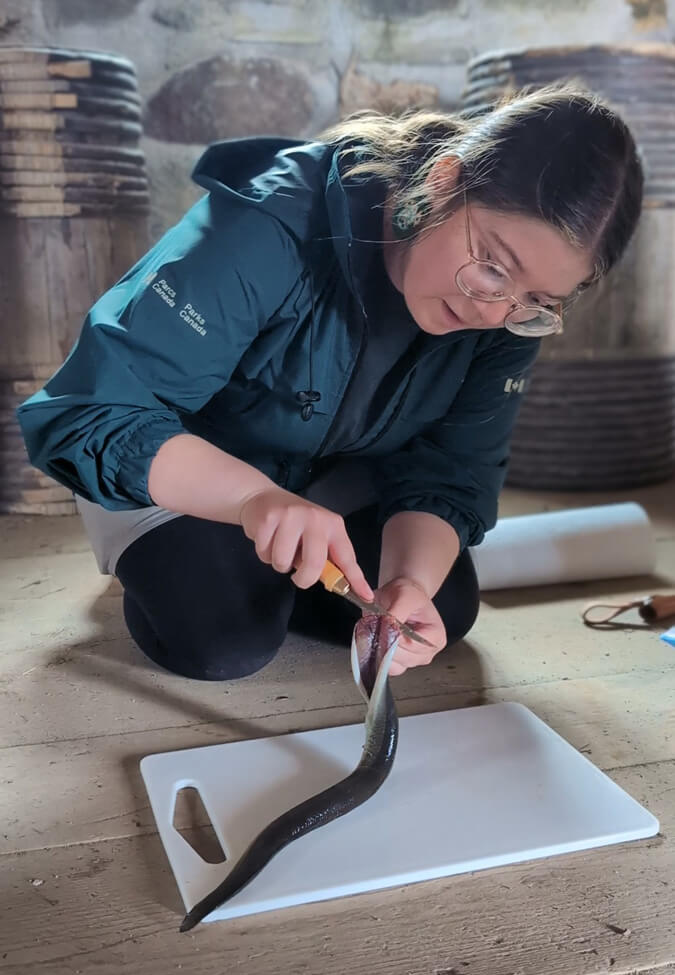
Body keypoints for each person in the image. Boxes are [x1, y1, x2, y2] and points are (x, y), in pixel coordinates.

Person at [17, 82, 643, 682]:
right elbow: (91, 410)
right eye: (492, 267)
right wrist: (250, 500)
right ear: (445, 180)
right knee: (221, 637)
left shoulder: (508, 317)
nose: (492, 310)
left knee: (440, 612)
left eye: (535, 298)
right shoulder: (270, 221)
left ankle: (277, 571)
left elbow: (454, 471)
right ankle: (194, 566)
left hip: (331, 471)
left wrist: (409, 586)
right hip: (175, 458)